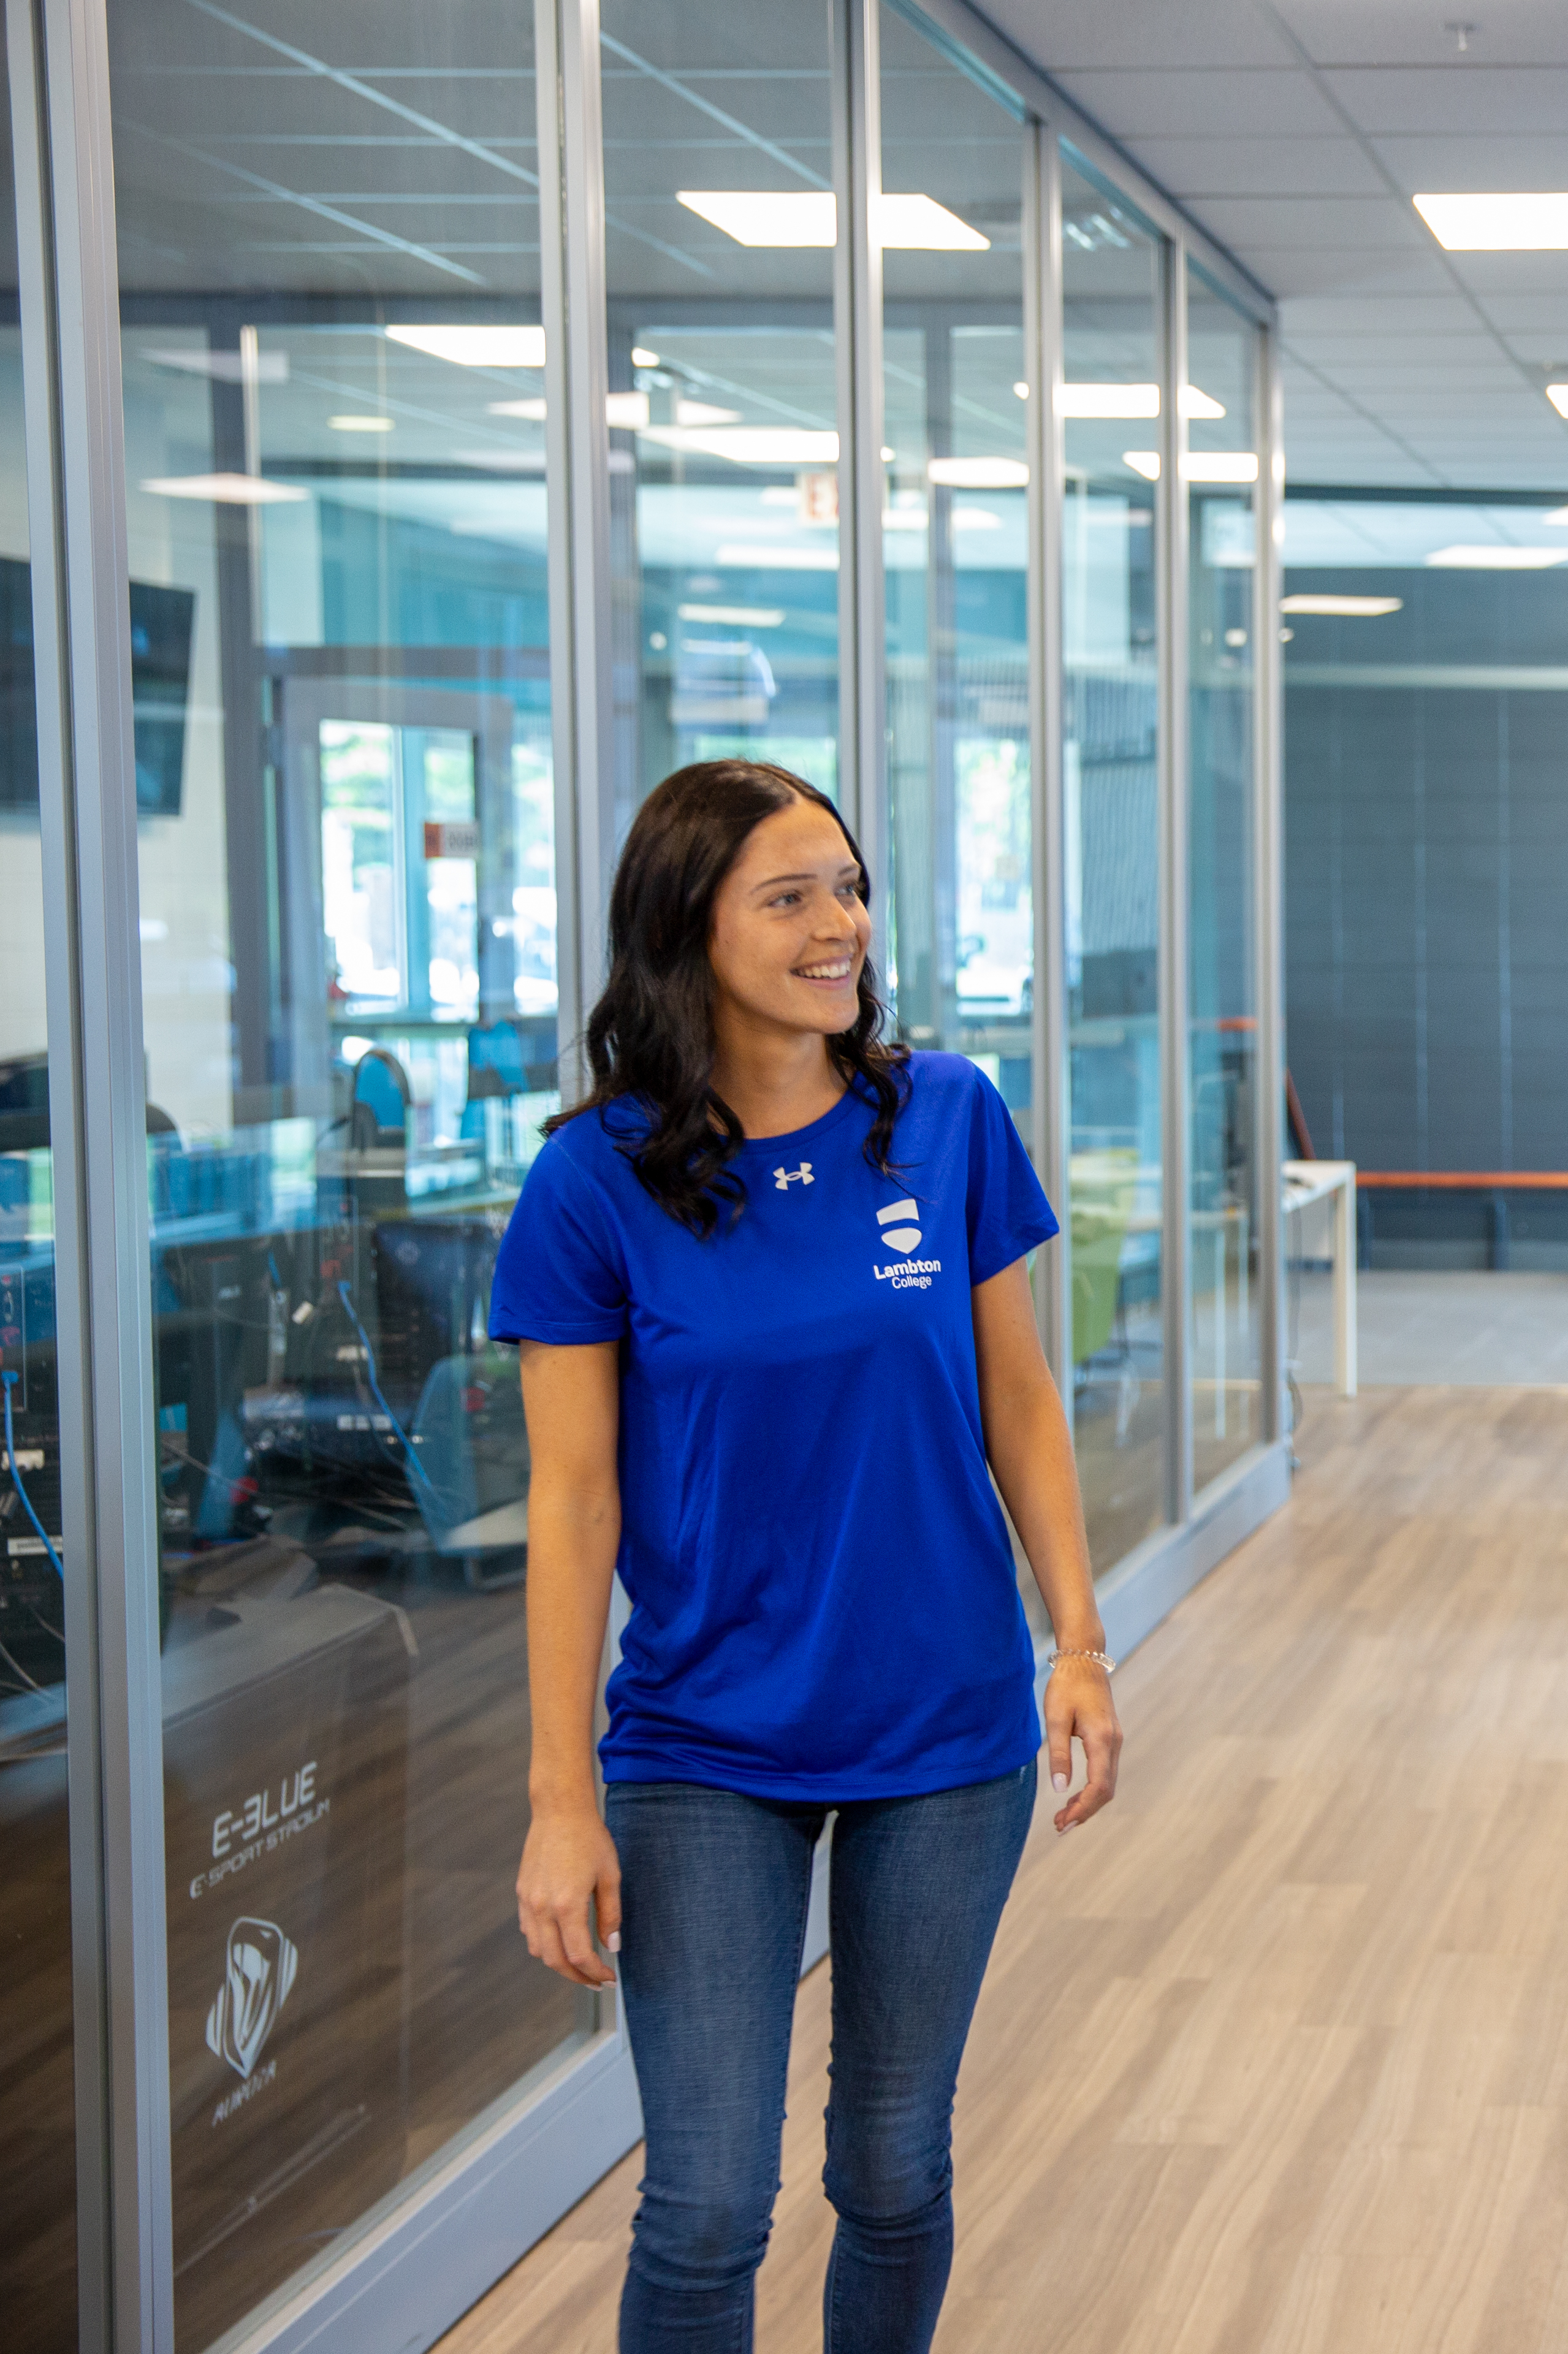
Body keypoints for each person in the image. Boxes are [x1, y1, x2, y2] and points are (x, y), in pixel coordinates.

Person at [498, 759, 1122, 2354]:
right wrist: (561, 1798)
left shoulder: (948, 1120)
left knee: (894, 2168)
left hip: (942, 1729)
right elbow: (572, 1511)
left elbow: (1020, 1405)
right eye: (790, 897)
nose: (839, 925)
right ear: (685, 931)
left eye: (846, 888)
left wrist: (1081, 1642)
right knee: (706, 2206)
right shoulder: (594, 1184)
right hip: (707, 1741)